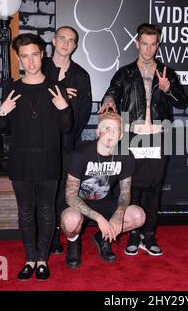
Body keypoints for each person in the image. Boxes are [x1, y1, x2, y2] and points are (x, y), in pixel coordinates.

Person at [99, 23, 188, 256]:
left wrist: (168, 89)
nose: (148, 49)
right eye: (144, 44)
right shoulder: (125, 72)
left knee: (155, 189)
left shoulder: (167, 72)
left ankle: (149, 235)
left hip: (159, 136)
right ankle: (133, 234)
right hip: (132, 137)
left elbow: (182, 102)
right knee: (131, 187)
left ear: (157, 45)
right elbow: (114, 89)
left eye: (153, 44)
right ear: (137, 44)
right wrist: (109, 98)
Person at [0, 33, 72, 280]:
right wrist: (1, 113)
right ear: (19, 59)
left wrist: (65, 110)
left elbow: (66, 128)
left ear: (42, 55)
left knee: (47, 212)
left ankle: (42, 259)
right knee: (25, 212)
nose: (30, 62)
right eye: (25, 56)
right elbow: (3, 127)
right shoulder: (12, 88)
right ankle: (30, 258)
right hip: (21, 162)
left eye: (35, 55)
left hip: (49, 161)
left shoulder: (55, 87)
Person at [61, 111, 145, 267]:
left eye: (115, 130)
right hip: (78, 202)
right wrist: (99, 218)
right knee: (71, 221)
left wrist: (118, 216)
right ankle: (73, 242)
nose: (110, 134)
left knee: (138, 216)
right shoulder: (81, 154)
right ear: (97, 131)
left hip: (104, 201)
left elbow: (125, 193)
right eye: (106, 128)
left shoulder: (125, 156)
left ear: (121, 136)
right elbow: (70, 196)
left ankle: (103, 237)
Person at [42, 26, 92, 254]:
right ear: (53, 41)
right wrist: (60, 91)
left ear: (75, 46)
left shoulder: (81, 76)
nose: (65, 43)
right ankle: (47, 236)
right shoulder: (39, 68)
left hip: (66, 146)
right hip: (40, 144)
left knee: (63, 192)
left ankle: (65, 235)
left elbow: (82, 115)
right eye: (61, 38)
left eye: (71, 40)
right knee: (43, 193)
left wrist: (67, 130)